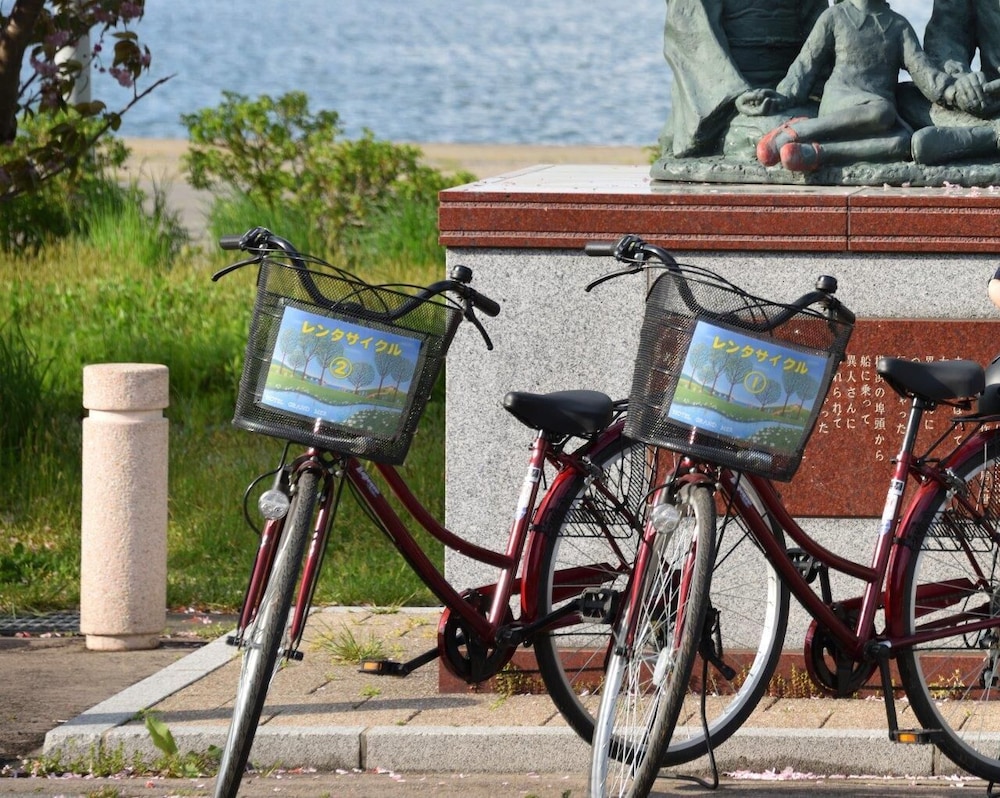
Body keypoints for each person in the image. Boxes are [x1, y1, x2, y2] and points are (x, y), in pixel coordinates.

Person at [737, 0, 964, 172]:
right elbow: (806, 64)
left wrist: (951, 91)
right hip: (842, 103)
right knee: (882, 110)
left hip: (878, 121)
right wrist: (782, 96)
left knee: (905, 143)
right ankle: (795, 131)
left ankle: (813, 154)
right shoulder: (835, 17)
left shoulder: (898, 25)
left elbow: (923, 71)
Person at [657, 0, 828, 159]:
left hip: (794, 93)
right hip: (729, 103)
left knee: (838, 121)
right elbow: (691, 35)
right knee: (785, 132)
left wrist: (808, 91)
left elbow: (819, 36)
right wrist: (738, 94)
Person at [904, 0, 1000, 164]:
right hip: (991, 100)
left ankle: (984, 139)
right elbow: (946, 38)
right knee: (903, 99)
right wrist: (961, 81)